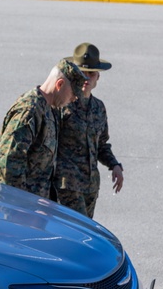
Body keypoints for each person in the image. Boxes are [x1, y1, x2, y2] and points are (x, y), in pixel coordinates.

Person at [0, 58, 86, 198]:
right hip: (17, 207)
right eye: (73, 94)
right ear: (60, 84)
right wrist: (18, 204)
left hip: (34, 205)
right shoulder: (29, 111)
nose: (74, 99)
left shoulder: (51, 109)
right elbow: (8, 160)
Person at [51, 43, 123, 217]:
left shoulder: (98, 107)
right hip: (66, 186)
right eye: (82, 73)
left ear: (98, 77)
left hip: (90, 186)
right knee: (74, 232)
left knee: (85, 234)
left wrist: (114, 165)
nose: (86, 78)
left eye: (91, 74)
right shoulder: (62, 104)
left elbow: (101, 144)